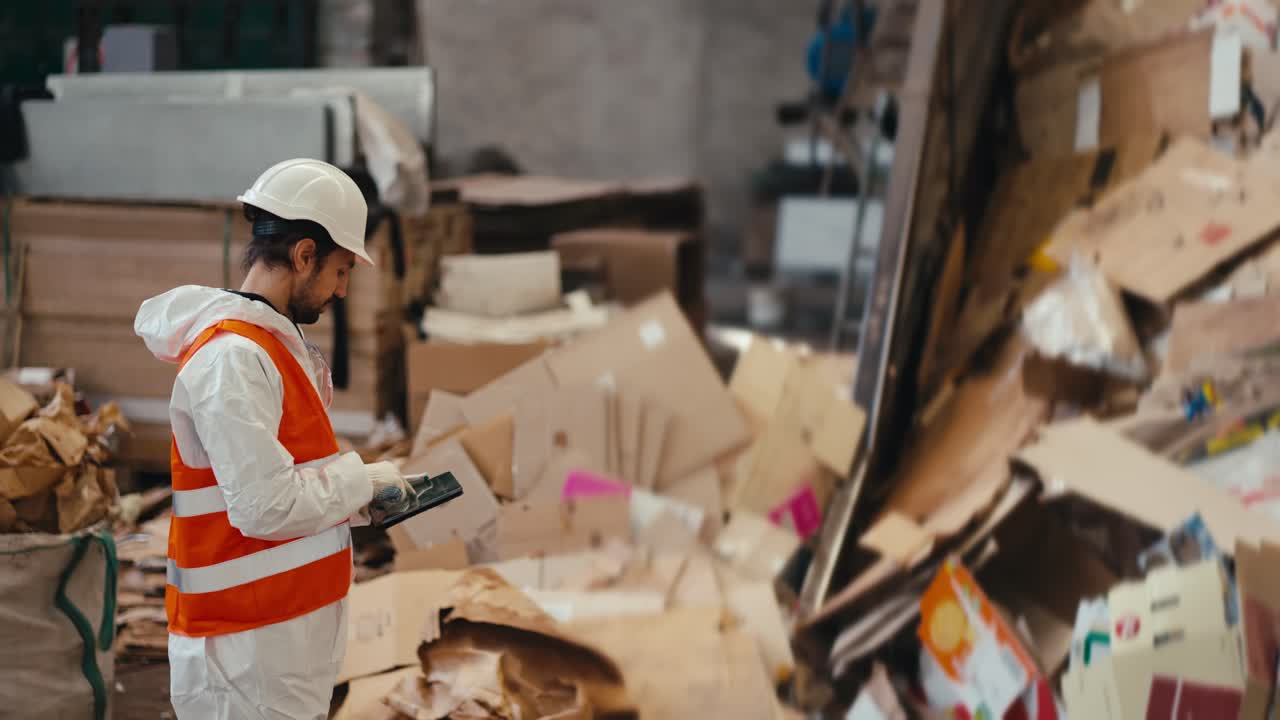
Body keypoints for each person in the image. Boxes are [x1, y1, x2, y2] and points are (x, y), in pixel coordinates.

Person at [134, 158, 416, 719]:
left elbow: (284, 487)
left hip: (274, 647)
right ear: (304, 254)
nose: (340, 290)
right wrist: (359, 478)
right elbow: (263, 507)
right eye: (340, 272)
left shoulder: (271, 351)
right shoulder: (233, 361)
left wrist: (364, 501)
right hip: (243, 659)